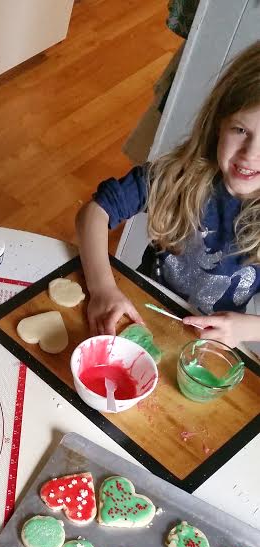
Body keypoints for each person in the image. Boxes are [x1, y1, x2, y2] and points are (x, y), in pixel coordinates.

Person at [76, 41, 260, 349]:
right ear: (218, 124)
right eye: (240, 130)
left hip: (203, 350)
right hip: (136, 317)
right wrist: (102, 288)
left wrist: (246, 328)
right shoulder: (178, 175)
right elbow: (94, 213)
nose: (251, 154)